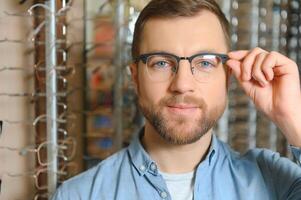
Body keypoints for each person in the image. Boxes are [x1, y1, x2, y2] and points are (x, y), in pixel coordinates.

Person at [52, 0, 301, 199]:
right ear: (136, 77)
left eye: (204, 62)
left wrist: (293, 118)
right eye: (161, 63)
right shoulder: (77, 195)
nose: (182, 85)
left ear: (227, 77)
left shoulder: (278, 184)